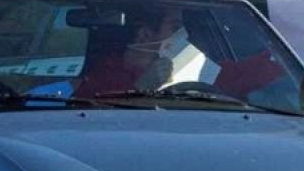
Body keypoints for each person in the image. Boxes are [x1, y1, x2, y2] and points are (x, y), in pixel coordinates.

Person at [72, 6, 283, 100]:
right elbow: (90, 120)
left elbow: (240, 76)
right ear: (145, 35)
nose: (184, 35)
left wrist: (285, 49)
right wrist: (140, 88)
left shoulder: (189, 66)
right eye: (175, 27)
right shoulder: (103, 78)